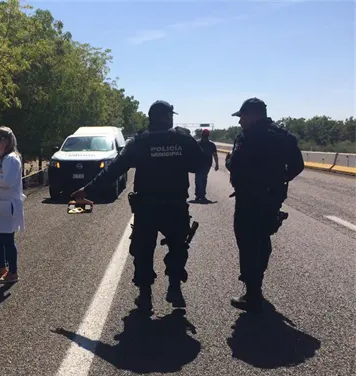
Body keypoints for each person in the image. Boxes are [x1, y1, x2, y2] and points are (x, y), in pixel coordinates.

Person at [72, 100, 203, 313]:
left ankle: (145, 295)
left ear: (151, 119)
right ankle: (174, 288)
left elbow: (114, 170)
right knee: (178, 246)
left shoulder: (140, 142)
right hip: (175, 206)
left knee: (143, 250)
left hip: (147, 207)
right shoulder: (183, 139)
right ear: (168, 117)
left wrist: (86, 191)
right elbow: (200, 165)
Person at [226, 98, 304, 312]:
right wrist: (278, 180)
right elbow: (297, 165)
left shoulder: (246, 137)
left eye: (242, 116)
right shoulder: (283, 137)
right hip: (271, 198)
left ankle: (252, 294)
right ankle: (256, 285)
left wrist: (228, 162)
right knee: (262, 241)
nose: (240, 121)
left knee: (248, 243)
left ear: (253, 115)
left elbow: (236, 165)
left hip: (248, 199)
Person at [0, 127, 25, 283]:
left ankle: (13, 272)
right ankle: (1, 267)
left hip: (8, 205)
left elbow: (7, 182)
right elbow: (1, 178)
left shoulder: (12, 159)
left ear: (8, 141)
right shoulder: (2, 158)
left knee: (7, 240)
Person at [194, 129, 219, 203]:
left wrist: (217, 164)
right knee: (200, 179)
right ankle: (199, 195)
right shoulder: (198, 143)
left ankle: (200, 195)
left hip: (205, 164)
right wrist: (216, 164)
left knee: (200, 179)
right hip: (199, 164)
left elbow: (215, 154)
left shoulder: (210, 144)